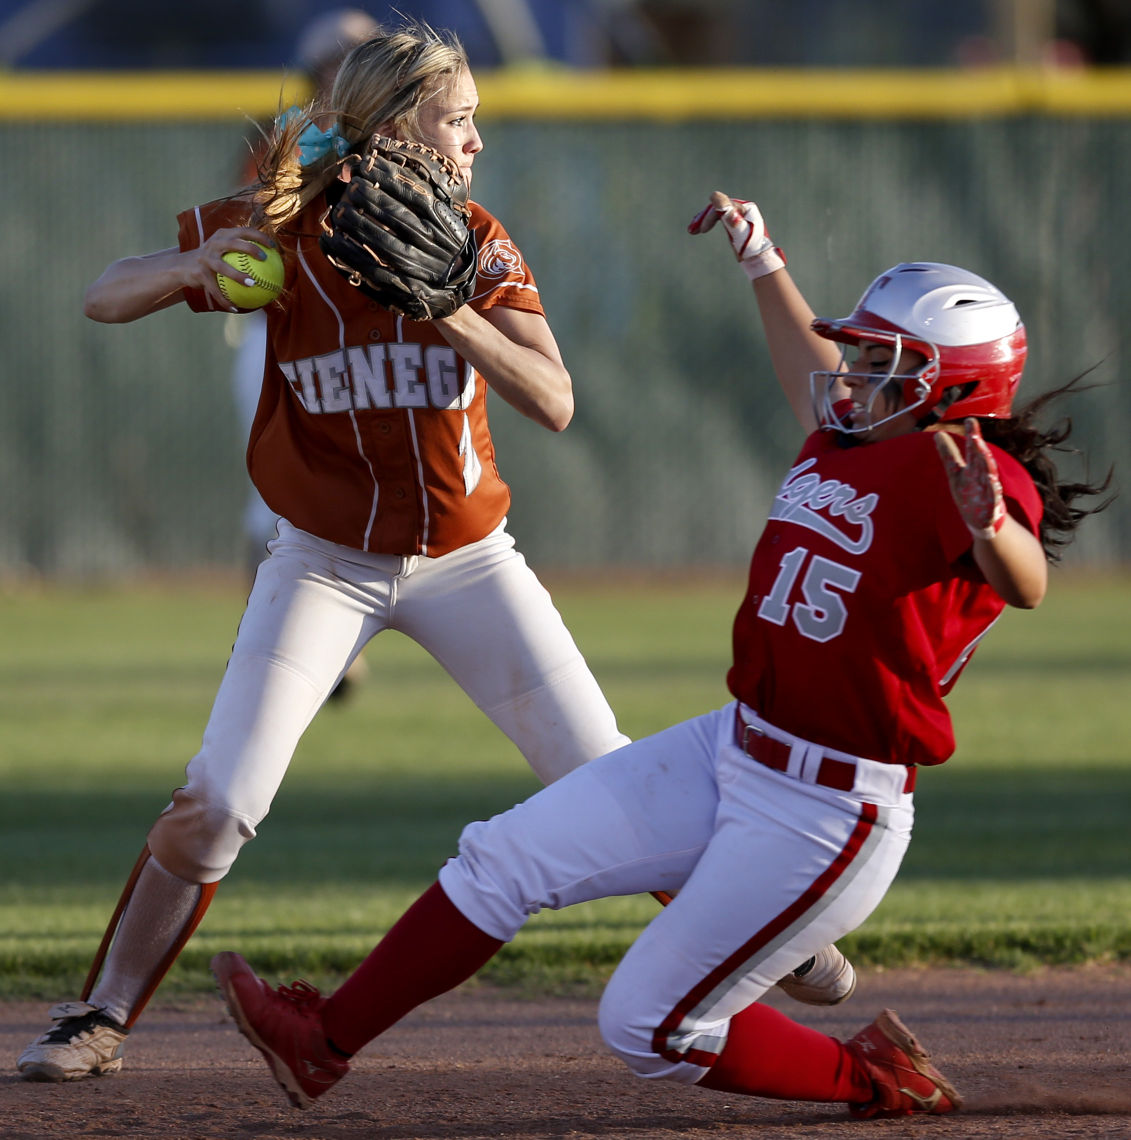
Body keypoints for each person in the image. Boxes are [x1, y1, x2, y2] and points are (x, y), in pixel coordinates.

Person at [15, 27, 840, 1085]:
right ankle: (100, 1014)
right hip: (320, 561)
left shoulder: (474, 238)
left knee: (608, 777)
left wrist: (448, 305)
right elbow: (103, 292)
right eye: (460, 120)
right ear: (401, 125)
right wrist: (188, 264)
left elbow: (552, 399)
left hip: (468, 562)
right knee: (217, 799)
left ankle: (773, 929)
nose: (478, 141)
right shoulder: (281, 226)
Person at [208, 191, 1110, 1119]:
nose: (856, 374)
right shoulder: (851, 434)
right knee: (500, 857)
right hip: (733, 744)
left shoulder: (970, 471)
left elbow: (1025, 581)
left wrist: (991, 523)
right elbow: (805, 357)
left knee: (648, 1027)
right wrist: (763, 260)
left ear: (955, 387)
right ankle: (320, 1044)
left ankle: (878, 1081)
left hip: (827, 809)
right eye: (862, 353)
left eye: (886, 363)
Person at [227, 8, 378, 701]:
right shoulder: (296, 137)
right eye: (338, 59)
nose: (347, 70)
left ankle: (337, 645)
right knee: (276, 494)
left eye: (361, 58)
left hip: (373, 330)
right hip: (283, 329)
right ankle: (278, 648)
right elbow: (254, 226)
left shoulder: (406, 136)